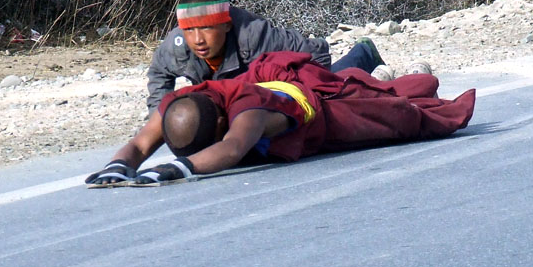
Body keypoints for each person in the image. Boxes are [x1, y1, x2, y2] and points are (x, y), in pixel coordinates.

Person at [86, 51, 476, 186]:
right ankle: (371, 68)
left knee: (405, 111)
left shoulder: (248, 108)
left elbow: (234, 148)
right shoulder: (180, 103)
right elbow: (139, 144)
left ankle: (395, 70)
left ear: (221, 121)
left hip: (327, 110)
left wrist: (172, 171)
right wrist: (117, 167)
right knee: (358, 81)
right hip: (283, 83)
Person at [145, 0, 390, 112]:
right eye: (190, 30)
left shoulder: (254, 36)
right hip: (245, 87)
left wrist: (303, 93)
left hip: (288, 73)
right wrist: (162, 116)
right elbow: (158, 75)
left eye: (207, 29)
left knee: (333, 97)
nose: (198, 39)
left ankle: (363, 54)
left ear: (226, 26)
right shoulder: (176, 47)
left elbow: (316, 54)